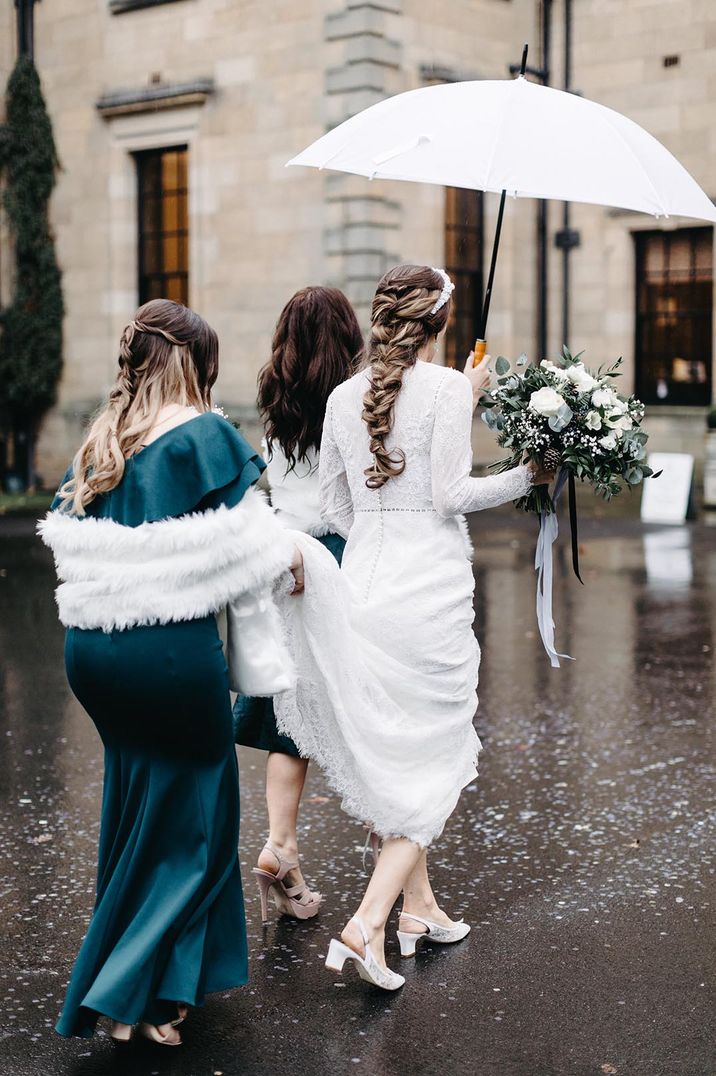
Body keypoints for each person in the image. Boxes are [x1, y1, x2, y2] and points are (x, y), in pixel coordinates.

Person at [272, 264, 553, 990]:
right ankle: (366, 926)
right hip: (427, 595)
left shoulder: (340, 397)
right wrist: (531, 475)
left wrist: (375, 528)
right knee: (435, 763)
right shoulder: (448, 390)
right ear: (440, 322)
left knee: (397, 756)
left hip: (363, 589)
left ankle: (419, 911)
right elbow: (452, 494)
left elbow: (336, 507)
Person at [38, 299, 300, 1043]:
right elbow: (256, 540)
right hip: (167, 651)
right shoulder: (206, 434)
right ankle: (139, 995)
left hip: (93, 652)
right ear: (194, 362)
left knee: (138, 807)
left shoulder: (102, 438)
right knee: (201, 818)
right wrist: (296, 561)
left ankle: (145, 980)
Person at [234, 286, 363, 923]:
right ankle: (398, 859)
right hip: (337, 553)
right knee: (359, 707)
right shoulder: (359, 399)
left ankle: (280, 844)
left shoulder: (274, 397)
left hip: (284, 555)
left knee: (289, 713)